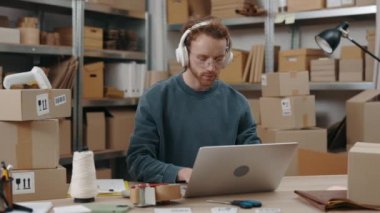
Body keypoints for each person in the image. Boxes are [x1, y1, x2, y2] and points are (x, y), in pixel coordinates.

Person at [126, 16, 261, 183]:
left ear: (227, 58)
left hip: (223, 195)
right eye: (202, 58)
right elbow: (138, 161)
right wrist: (181, 173)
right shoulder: (155, 99)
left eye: (218, 59)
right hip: (173, 198)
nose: (211, 67)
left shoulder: (238, 103)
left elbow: (254, 156)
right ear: (184, 55)